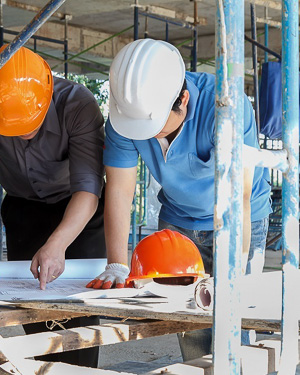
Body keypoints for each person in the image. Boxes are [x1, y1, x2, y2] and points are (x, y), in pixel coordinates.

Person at [87, 39, 272, 360]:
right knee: (188, 320)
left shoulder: (226, 105)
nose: (143, 134)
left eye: (152, 126)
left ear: (183, 100)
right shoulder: (125, 114)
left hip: (241, 217)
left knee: (233, 321)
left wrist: (235, 275)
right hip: (179, 221)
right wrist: (116, 263)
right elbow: (119, 190)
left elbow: (237, 198)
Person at [0, 45, 106, 368]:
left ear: (47, 94)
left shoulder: (79, 105)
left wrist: (58, 244)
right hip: (23, 209)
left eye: (30, 128)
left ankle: (82, 370)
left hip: (78, 210)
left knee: (79, 313)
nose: (22, 136)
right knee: (31, 309)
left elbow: (89, 192)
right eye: (12, 132)